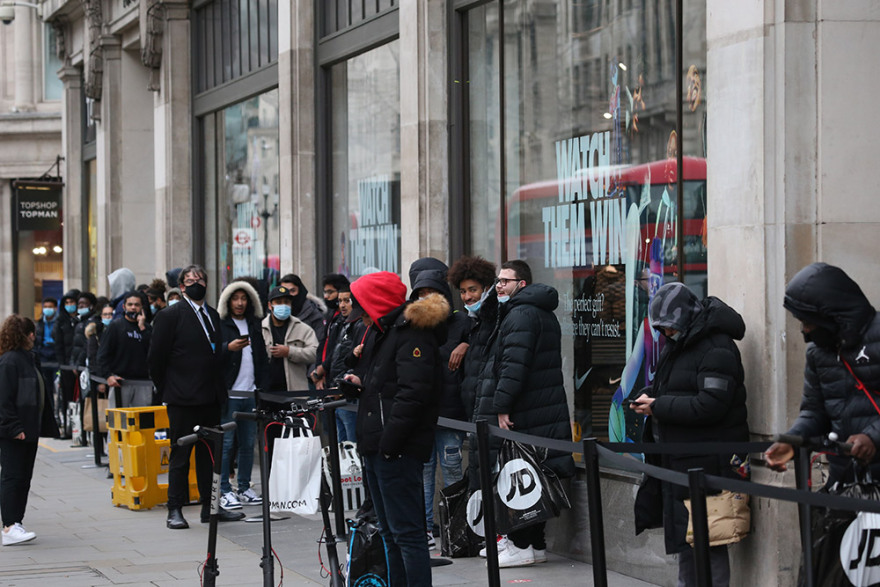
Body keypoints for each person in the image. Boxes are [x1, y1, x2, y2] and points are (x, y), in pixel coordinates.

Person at [630, 282, 749, 587]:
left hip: (707, 461)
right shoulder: (682, 344)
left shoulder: (716, 347)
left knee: (709, 545)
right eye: (661, 329)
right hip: (684, 460)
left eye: (669, 327)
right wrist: (651, 398)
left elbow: (711, 404)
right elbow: (675, 390)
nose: (665, 334)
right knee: (689, 543)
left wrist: (658, 406)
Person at [344, 270, 448, 587]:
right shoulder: (383, 331)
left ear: (374, 301)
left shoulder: (411, 332)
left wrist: (390, 443)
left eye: (361, 302)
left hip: (396, 448)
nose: (357, 311)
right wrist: (357, 387)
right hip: (378, 445)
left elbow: (414, 393)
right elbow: (385, 387)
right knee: (390, 532)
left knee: (408, 535)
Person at [482, 259, 575, 567]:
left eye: (505, 281)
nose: (498, 286)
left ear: (521, 284)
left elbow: (513, 367)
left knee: (521, 474)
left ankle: (521, 545)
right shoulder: (538, 312)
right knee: (533, 473)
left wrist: (502, 406)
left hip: (526, 409)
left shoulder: (520, 314)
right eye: (497, 280)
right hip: (541, 406)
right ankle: (534, 545)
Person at [148, 264, 245, 529]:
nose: (196, 283)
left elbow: (214, 353)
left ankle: (209, 507)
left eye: (200, 279)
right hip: (182, 397)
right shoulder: (170, 315)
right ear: (181, 286)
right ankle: (175, 509)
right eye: (190, 280)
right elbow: (156, 358)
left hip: (210, 397)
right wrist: (166, 389)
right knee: (181, 454)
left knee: (209, 457)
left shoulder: (213, 315)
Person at [765, 263, 880, 481]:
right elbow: (814, 411)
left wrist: (873, 437)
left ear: (830, 316)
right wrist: (793, 439)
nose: (804, 330)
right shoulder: (818, 353)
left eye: (808, 322)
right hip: (848, 477)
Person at [408, 258, 471, 549]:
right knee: (424, 473)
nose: (425, 300)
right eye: (419, 295)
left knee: (453, 469)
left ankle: (458, 530)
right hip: (421, 412)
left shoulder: (462, 323)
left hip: (449, 411)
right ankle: (425, 531)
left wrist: (466, 344)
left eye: (429, 293)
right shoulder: (411, 324)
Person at [0, 315, 60, 545]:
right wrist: (14, 427)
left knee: (23, 477)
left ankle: (16, 522)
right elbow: (3, 400)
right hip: (16, 431)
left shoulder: (28, 359)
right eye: (32, 333)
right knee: (12, 476)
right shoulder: (10, 362)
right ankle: (9, 526)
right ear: (28, 335)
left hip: (28, 429)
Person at [217, 279, 269, 510]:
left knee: (248, 443)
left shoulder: (255, 324)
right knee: (227, 443)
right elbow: (210, 354)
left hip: (251, 392)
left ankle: (245, 486)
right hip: (229, 394)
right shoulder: (221, 325)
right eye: (235, 298)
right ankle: (224, 490)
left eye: (243, 298)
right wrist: (227, 348)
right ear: (228, 301)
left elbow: (261, 358)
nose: (239, 303)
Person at [97, 292, 153, 408]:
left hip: (143, 382)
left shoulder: (147, 328)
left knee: (142, 422)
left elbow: (153, 351)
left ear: (141, 307)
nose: (133, 307)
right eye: (130, 304)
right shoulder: (115, 326)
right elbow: (103, 354)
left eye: (137, 305)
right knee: (118, 422)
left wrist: (142, 328)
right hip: (120, 382)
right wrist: (108, 376)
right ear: (124, 306)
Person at [261, 286, 319, 394]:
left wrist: (289, 352)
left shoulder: (303, 328)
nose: (283, 305)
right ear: (270, 305)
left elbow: (315, 353)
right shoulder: (260, 328)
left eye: (286, 302)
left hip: (295, 392)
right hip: (266, 392)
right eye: (278, 302)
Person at [310, 273, 351, 390]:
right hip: (324, 373)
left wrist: (323, 368)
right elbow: (323, 343)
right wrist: (319, 368)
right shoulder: (331, 314)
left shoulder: (347, 319)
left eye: (330, 292)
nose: (326, 296)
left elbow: (338, 349)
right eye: (325, 292)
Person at [52, 288, 80, 438]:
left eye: (72, 302)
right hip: (66, 366)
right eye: (67, 303)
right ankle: (68, 428)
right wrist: (63, 365)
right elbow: (59, 346)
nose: (70, 305)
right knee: (67, 398)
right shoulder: (61, 321)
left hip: (79, 364)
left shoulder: (81, 320)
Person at [279, 273, 326, 343]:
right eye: (285, 291)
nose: (289, 295)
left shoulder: (314, 315)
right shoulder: (274, 313)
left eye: (292, 291)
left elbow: (318, 345)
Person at [34, 297, 59, 393]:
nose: (47, 309)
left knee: (58, 386)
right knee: (45, 388)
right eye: (45, 307)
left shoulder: (59, 322)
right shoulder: (39, 323)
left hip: (56, 357)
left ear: (55, 308)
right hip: (43, 357)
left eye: (50, 307)